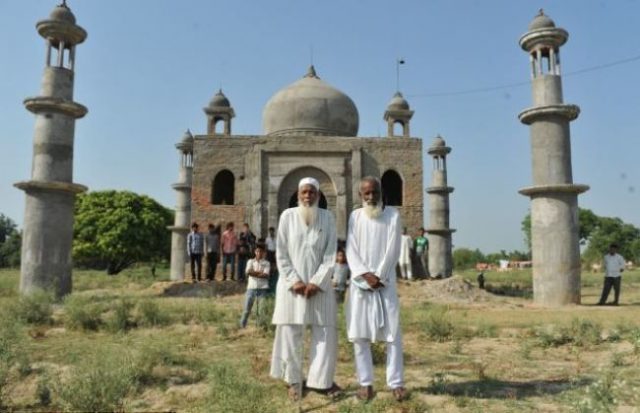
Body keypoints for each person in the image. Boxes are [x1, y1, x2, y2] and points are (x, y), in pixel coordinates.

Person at [270, 177, 341, 401]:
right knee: (291, 333)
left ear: (318, 195)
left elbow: (331, 253)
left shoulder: (328, 217)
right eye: (304, 192)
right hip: (292, 288)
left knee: (325, 332)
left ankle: (320, 381)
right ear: (298, 195)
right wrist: (295, 281)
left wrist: (317, 282)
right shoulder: (287, 217)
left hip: (319, 288)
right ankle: (294, 380)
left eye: (312, 192)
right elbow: (281, 253)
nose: (308, 196)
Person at [346, 176, 406, 402]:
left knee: (393, 334)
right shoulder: (355, 216)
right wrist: (365, 274)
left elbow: (393, 248)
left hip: (385, 283)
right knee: (359, 335)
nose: (371, 197)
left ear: (381, 192)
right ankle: (366, 383)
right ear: (360, 195)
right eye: (366, 194)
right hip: (361, 284)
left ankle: (396, 383)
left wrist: (379, 275)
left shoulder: (392, 215)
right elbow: (351, 248)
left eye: (375, 192)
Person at [239, 244, 271, 328]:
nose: (259, 253)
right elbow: (248, 272)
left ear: (263, 253)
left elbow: (266, 275)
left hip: (262, 289)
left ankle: (260, 328)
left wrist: (254, 273)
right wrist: (260, 273)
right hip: (251, 288)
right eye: (257, 251)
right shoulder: (250, 261)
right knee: (246, 310)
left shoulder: (266, 263)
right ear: (255, 252)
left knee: (261, 310)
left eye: (261, 251)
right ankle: (242, 326)